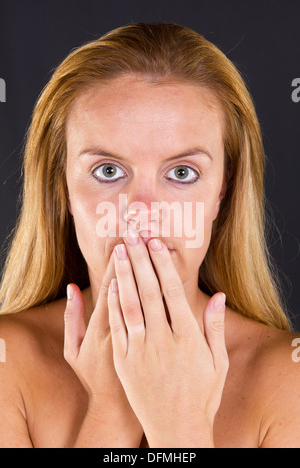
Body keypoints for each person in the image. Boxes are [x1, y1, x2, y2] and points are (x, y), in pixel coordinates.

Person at [0, 22, 299, 448]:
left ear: (222, 193)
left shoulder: (291, 379)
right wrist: (112, 406)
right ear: (62, 189)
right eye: (108, 171)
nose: (141, 212)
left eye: (181, 173)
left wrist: (181, 428)